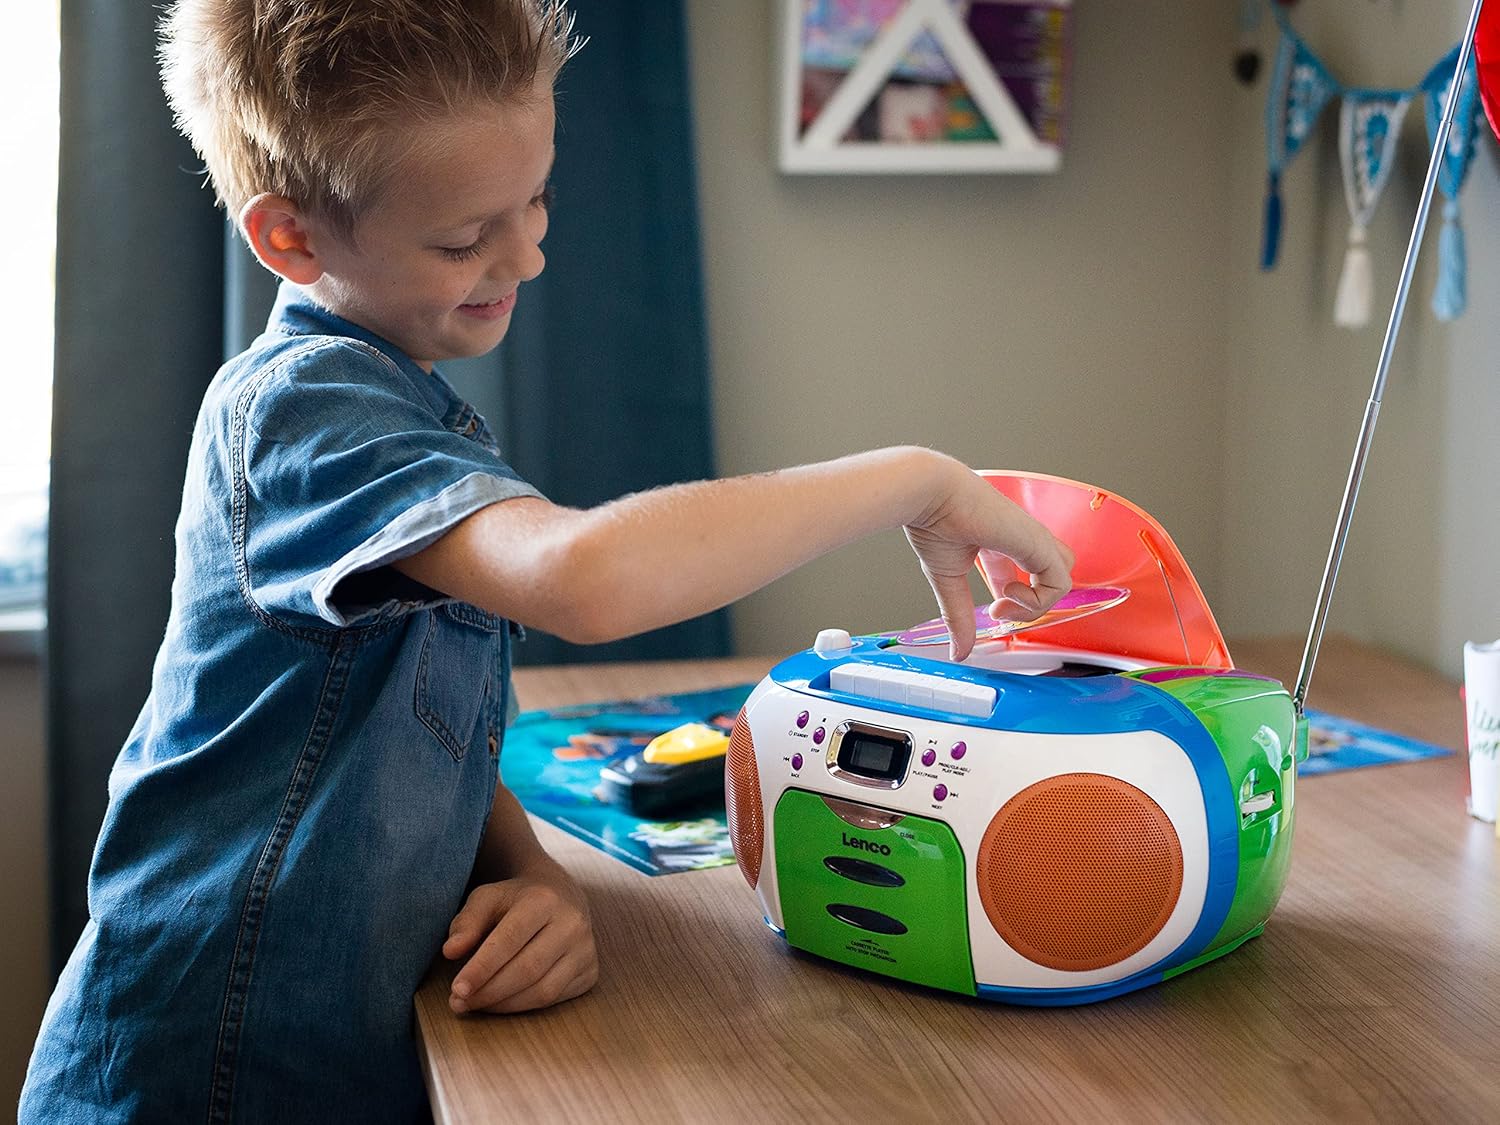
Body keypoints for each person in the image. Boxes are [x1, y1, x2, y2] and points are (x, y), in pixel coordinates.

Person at [20, 1, 1074, 1121]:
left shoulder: (398, 404)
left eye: (536, 199)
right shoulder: (304, 413)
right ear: (292, 238)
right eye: (464, 237)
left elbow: (404, 726)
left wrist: (528, 871)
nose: (526, 251)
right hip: (210, 1070)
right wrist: (913, 477)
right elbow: (586, 579)